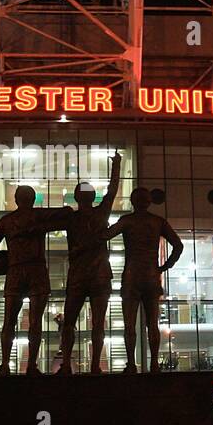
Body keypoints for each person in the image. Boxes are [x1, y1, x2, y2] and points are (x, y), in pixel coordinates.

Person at [0, 185, 69, 375]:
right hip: (35, 270)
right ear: (32, 200)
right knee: (34, 322)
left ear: (16, 199)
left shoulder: (7, 220)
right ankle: (30, 366)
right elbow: (63, 214)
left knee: (9, 321)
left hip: (18, 270)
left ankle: (6, 365)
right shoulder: (37, 216)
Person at [102, 187, 184, 373]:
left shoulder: (127, 221)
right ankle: (154, 363)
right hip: (151, 274)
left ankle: (131, 364)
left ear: (132, 201)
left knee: (129, 323)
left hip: (132, 275)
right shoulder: (158, 222)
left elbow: (105, 235)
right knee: (152, 323)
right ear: (149, 202)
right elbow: (178, 245)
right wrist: (165, 266)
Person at [57, 153, 122, 374]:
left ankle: (67, 364)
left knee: (69, 322)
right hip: (98, 274)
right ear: (93, 197)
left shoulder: (70, 218)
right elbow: (112, 190)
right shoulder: (100, 212)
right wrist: (116, 166)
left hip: (80, 274)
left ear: (76, 197)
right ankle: (94, 366)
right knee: (97, 323)